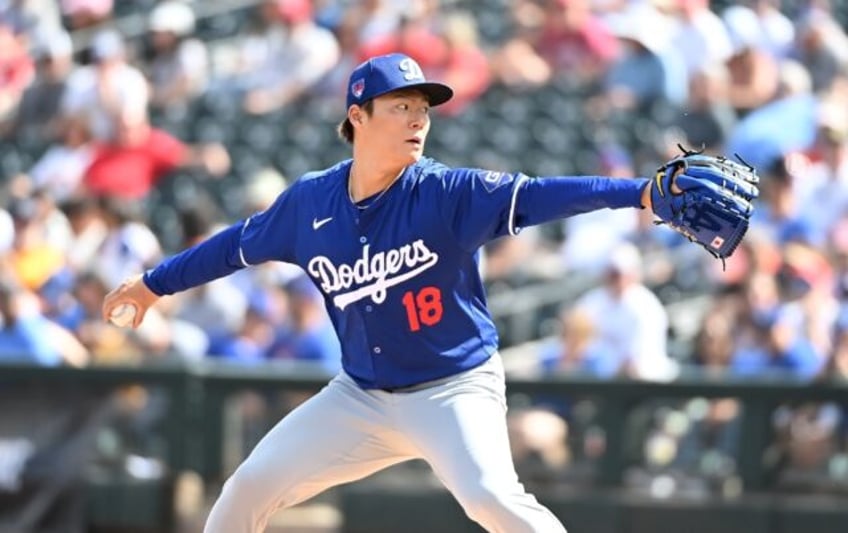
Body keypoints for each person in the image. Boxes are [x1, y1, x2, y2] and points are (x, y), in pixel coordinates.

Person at [103, 52, 660, 533]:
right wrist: (154, 284)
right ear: (357, 115)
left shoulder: (446, 190)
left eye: (423, 109)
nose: (419, 118)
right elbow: (231, 248)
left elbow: (542, 196)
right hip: (361, 396)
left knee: (491, 499)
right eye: (401, 106)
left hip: (453, 388)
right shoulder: (310, 202)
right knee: (246, 488)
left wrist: (639, 193)